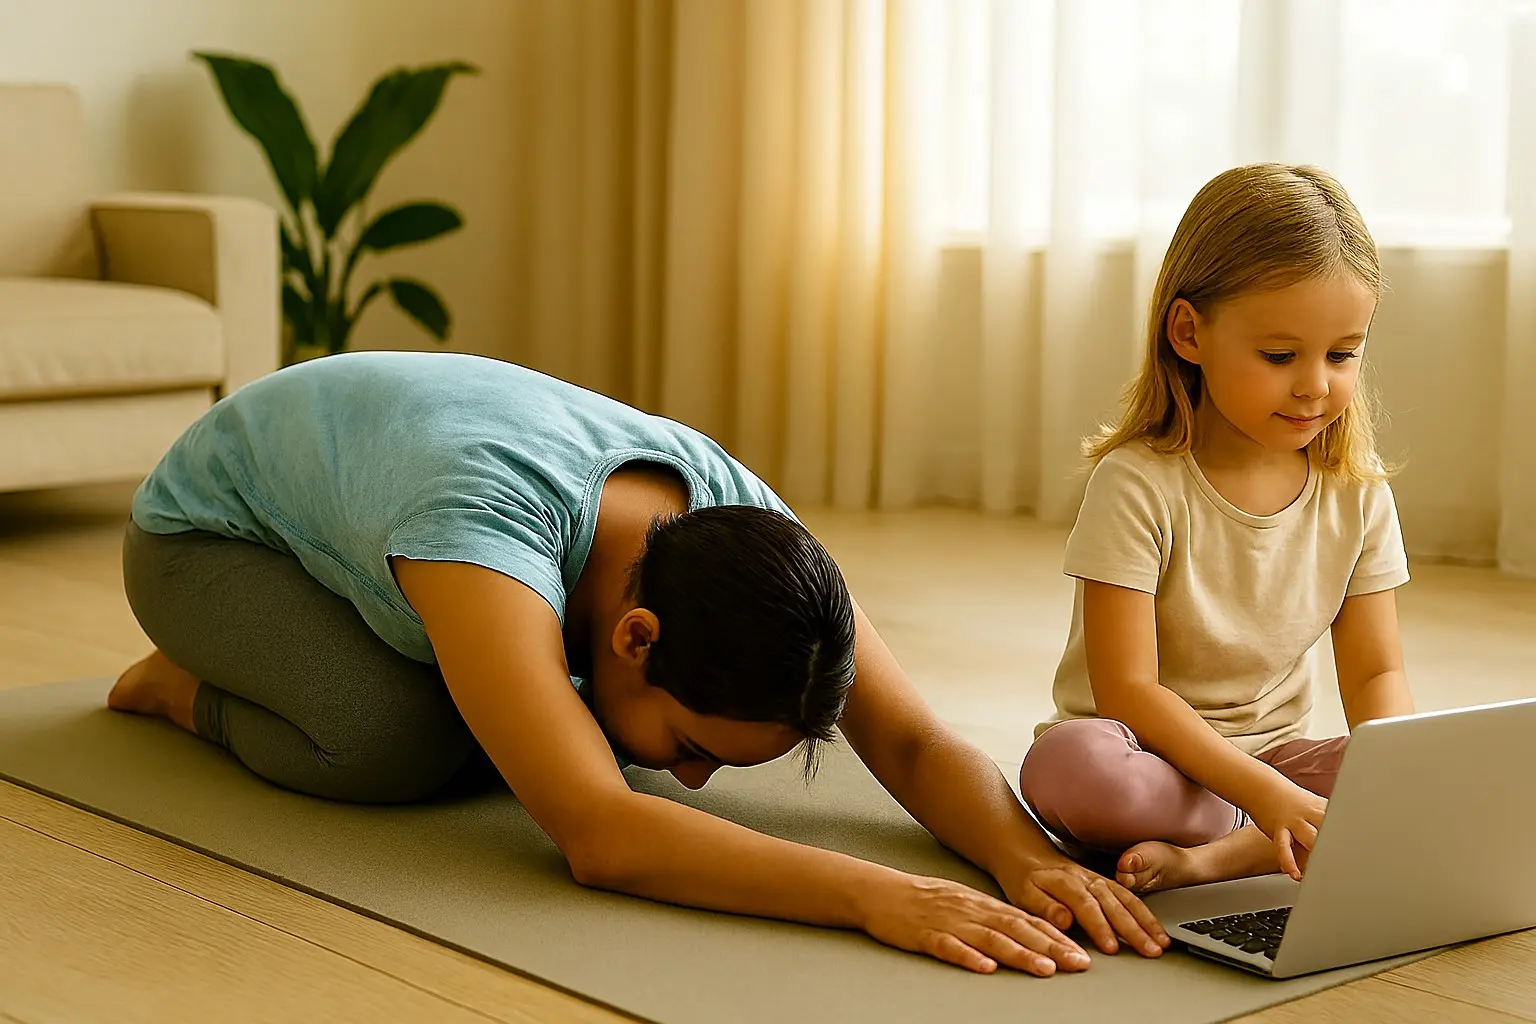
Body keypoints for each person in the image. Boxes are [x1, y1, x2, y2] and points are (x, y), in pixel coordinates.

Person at [107, 349, 1169, 977]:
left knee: (533, 737)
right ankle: (185, 682)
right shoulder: (485, 524)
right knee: (396, 739)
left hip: (388, 507)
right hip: (211, 538)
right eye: (696, 747)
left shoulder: (749, 533)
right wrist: (874, 895)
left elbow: (907, 732)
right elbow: (601, 835)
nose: (690, 780)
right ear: (635, 635)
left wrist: (1023, 854)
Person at [1016, 163, 1414, 896]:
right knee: (1069, 772)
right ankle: (1269, 833)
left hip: (1277, 762)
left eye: (1342, 353)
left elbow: (1376, 672)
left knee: (1433, 772)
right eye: (1279, 355)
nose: (1315, 384)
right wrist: (1264, 798)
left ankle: (1208, 858)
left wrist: (1393, 769)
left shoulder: (1357, 497)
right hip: (1144, 755)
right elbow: (1127, 689)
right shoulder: (1137, 484)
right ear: (1189, 331)